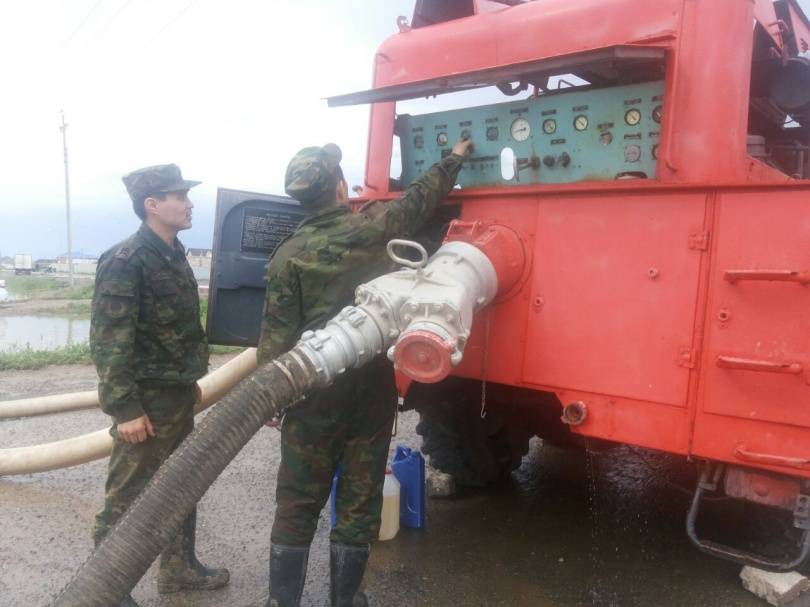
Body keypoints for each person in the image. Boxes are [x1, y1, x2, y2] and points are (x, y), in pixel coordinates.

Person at [258, 138, 473, 606]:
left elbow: (275, 338)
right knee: (359, 496)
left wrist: (272, 399)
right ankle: (346, 600)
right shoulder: (372, 228)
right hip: (369, 389)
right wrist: (453, 158)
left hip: (311, 391)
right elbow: (419, 199)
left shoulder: (288, 256)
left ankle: (282, 600)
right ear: (339, 187)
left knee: (297, 496)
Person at [89, 164, 229, 606]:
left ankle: (179, 569)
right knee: (128, 496)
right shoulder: (125, 260)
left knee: (182, 483)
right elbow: (110, 342)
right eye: (179, 196)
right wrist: (125, 408)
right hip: (144, 402)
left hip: (176, 394)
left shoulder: (174, 254)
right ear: (152, 205)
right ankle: (105, 587)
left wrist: (190, 384)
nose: (189, 204)